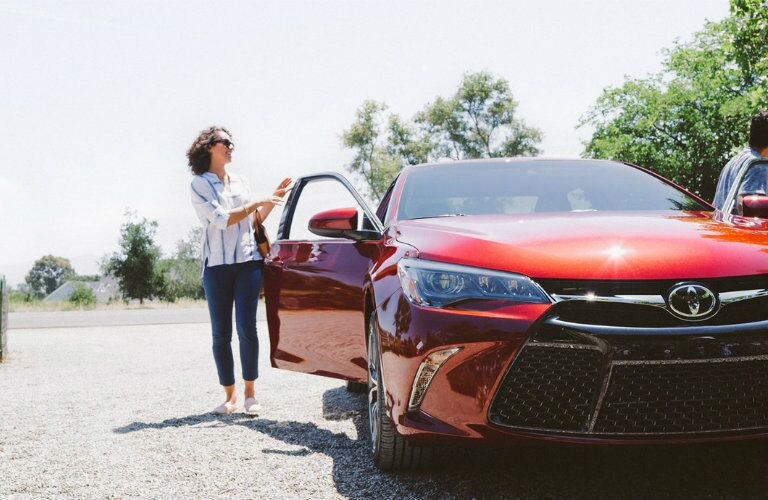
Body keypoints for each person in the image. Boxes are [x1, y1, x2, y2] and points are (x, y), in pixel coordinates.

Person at [187, 126, 291, 415]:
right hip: (216, 268)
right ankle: (229, 396)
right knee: (221, 334)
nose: (232, 146)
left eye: (233, 142)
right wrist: (255, 202)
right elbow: (221, 220)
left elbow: (253, 219)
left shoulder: (241, 181)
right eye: (226, 142)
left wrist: (269, 200)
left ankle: (250, 394)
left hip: (248, 262)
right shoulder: (199, 184)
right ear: (210, 147)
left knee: (248, 327)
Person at [712, 111, 768, 211]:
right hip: (738, 226)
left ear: (750, 135)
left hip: (720, 225)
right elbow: (749, 209)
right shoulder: (757, 165)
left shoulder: (732, 163)